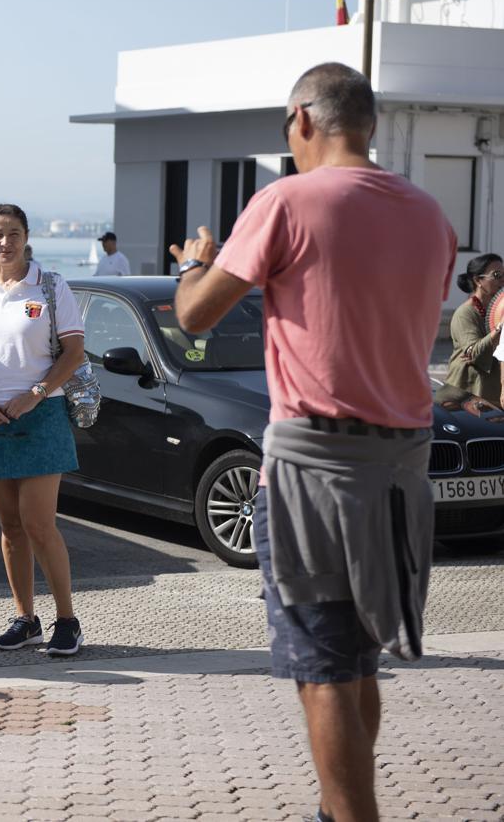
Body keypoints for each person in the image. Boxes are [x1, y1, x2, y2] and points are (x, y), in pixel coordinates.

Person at [170, 62, 456, 822]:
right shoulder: (431, 214)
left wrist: (196, 262)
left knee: (322, 666)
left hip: (314, 467)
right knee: (357, 659)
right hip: (403, 462)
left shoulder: (286, 202)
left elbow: (195, 316)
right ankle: (341, 810)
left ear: (302, 120)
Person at [0, 203, 87, 657]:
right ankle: (25, 619)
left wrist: (36, 393)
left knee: (38, 523)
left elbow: (74, 352)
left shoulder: (50, 287)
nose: (4, 242)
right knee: (9, 526)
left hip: (41, 415)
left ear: (27, 236)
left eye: (12, 233)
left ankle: (67, 620)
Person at [446, 252, 504, 402]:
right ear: (478, 280)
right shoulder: (465, 313)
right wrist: (499, 330)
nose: (503, 280)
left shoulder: (498, 310)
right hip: (467, 396)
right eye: (497, 275)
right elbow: (474, 353)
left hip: (494, 393)